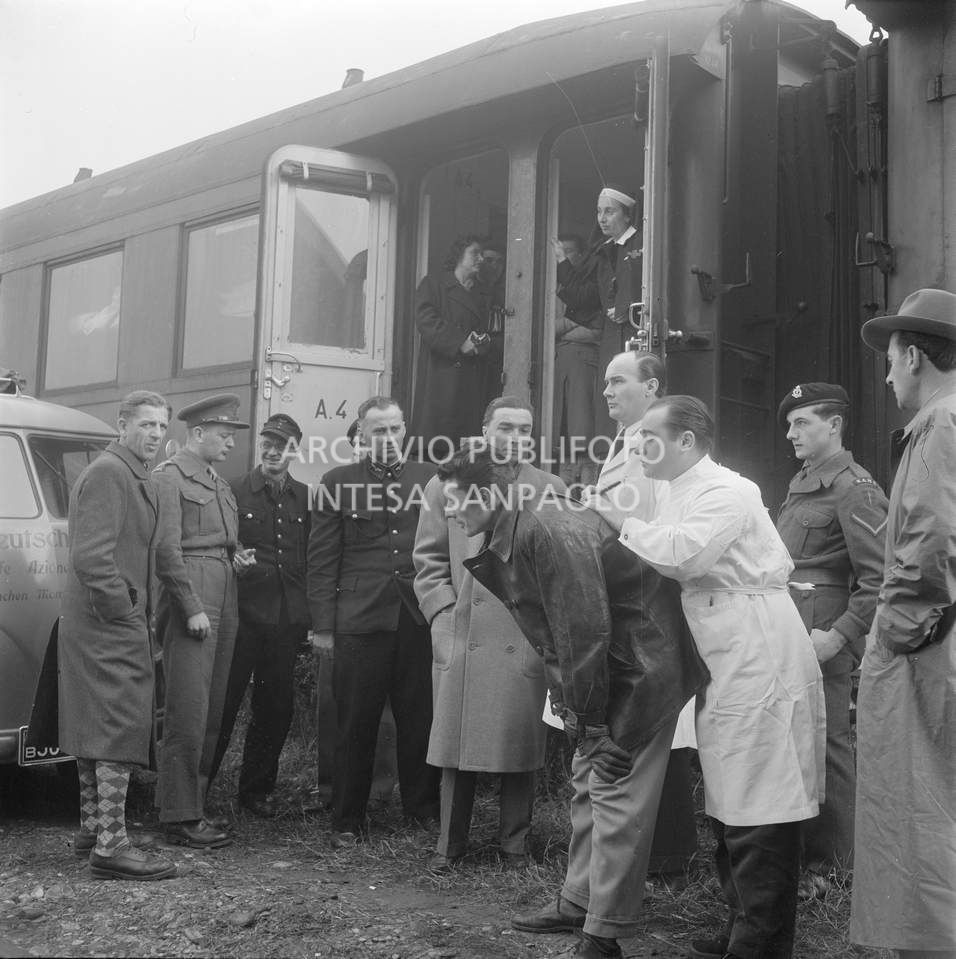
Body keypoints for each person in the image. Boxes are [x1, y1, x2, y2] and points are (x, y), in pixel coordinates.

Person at [438, 446, 707, 959]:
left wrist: (592, 724)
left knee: (614, 792)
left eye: (456, 501)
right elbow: (558, 635)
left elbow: (583, 631)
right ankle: (579, 902)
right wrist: (580, 717)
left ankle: (604, 935)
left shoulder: (546, 525)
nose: (450, 513)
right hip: (617, 666)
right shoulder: (525, 519)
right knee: (589, 783)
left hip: (638, 670)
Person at [609, 395, 824, 959]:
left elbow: (687, 555)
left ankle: (762, 942)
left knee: (762, 795)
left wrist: (619, 520)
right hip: (723, 647)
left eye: (649, 436)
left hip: (755, 645)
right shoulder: (677, 490)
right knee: (731, 792)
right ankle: (743, 925)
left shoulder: (729, 489)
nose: (638, 445)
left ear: (686, 441)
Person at [413, 396, 566, 873]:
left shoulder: (549, 487)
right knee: (455, 746)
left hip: (521, 635)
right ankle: (449, 844)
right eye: (506, 428)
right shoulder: (445, 484)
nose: (516, 439)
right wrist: (442, 619)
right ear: (484, 431)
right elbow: (427, 562)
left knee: (519, 742)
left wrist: (544, 630)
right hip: (464, 633)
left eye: (525, 430)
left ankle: (514, 846)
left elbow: (561, 566)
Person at [852, 288, 956, 959]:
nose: (887, 376)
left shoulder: (937, 426)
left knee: (915, 806)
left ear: (914, 355)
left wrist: (888, 635)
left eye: (890, 362)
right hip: (940, 641)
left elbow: (928, 543)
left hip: (922, 647)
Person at [584, 350, 699, 884]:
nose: (607, 391)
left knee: (656, 721)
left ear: (651, 387)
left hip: (642, 589)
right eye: (605, 382)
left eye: (618, 381)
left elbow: (642, 519)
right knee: (650, 722)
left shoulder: (648, 444)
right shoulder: (625, 440)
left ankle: (670, 854)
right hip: (626, 585)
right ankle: (662, 850)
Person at [308, 396, 440, 845]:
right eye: (378, 431)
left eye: (395, 429)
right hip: (359, 622)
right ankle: (347, 818)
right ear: (361, 435)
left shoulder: (429, 478)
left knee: (419, 718)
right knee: (355, 722)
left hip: (417, 617)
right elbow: (323, 561)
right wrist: (324, 627)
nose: (388, 438)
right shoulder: (336, 482)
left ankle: (422, 813)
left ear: (406, 430)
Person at [58, 391, 176, 880]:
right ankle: (111, 845)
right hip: (108, 622)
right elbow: (91, 556)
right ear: (122, 425)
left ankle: (93, 828)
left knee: (96, 720)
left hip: (101, 622)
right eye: (145, 424)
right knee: (117, 723)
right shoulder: (111, 472)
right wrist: (125, 609)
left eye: (160, 426)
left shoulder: (130, 472)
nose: (154, 434)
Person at [775, 382, 887, 875]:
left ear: (835, 425)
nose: (791, 433)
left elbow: (879, 578)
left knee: (828, 742)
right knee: (797, 739)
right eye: (789, 424)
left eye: (802, 422)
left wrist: (839, 636)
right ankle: (805, 854)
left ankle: (838, 865)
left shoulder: (854, 487)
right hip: (792, 619)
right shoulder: (805, 480)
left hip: (823, 629)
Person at [153, 393, 253, 848]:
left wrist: (237, 558)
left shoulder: (217, 481)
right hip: (193, 592)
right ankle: (178, 815)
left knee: (213, 706)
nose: (230, 444)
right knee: (188, 708)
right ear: (195, 434)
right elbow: (167, 550)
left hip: (223, 589)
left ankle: (196, 804)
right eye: (224, 435)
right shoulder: (170, 477)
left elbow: (218, 541)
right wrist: (190, 606)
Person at [209, 413, 311, 817]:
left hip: (285, 620)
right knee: (225, 702)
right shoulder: (233, 490)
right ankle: (197, 788)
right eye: (267, 444)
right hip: (243, 614)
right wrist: (233, 558)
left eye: (283, 445)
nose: (273, 451)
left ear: (294, 450)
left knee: (276, 707)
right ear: (260, 448)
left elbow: (310, 555)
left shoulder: (305, 496)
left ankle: (256, 791)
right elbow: (218, 545)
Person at [555, 184, 643, 439]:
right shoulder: (602, 252)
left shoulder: (641, 243)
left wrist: (626, 305)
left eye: (609, 212)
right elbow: (583, 297)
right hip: (611, 338)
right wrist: (562, 261)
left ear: (627, 215)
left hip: (634, 334)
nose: (602, 219)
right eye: (598, 212)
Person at [412, 235, 495, 459]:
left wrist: (481, 343)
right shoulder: (434, 284)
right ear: (459, 255)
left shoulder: (482, 293)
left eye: (482, 254)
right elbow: (426, 321)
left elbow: (491, 329)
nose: (480, 258)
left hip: (471, 378)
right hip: (441, 376)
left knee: (465, 451)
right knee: (437, 447)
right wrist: (460, 343)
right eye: (475, 253)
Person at [551, 233, 602, 486]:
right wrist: (569, 325)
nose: (562, 258)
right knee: (563, 437)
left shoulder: (587, 285)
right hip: (559, 368)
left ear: (581, 256)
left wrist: (559, 328)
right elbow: (542, 328)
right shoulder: (548, 285)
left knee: (584, 438)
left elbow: (595, 329)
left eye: (568, 252)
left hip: (583, 367)